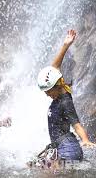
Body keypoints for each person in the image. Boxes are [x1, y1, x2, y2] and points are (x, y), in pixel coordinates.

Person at [33, 29, 95, 168]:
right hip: (61, 147)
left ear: (57, 85)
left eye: (48, 91)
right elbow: (54, 68)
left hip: (69, 150)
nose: (47, 94)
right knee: (30, 166)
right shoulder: (59, 92)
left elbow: (76, 124)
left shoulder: (65, 101)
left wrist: (85, 140)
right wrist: (65, 45)